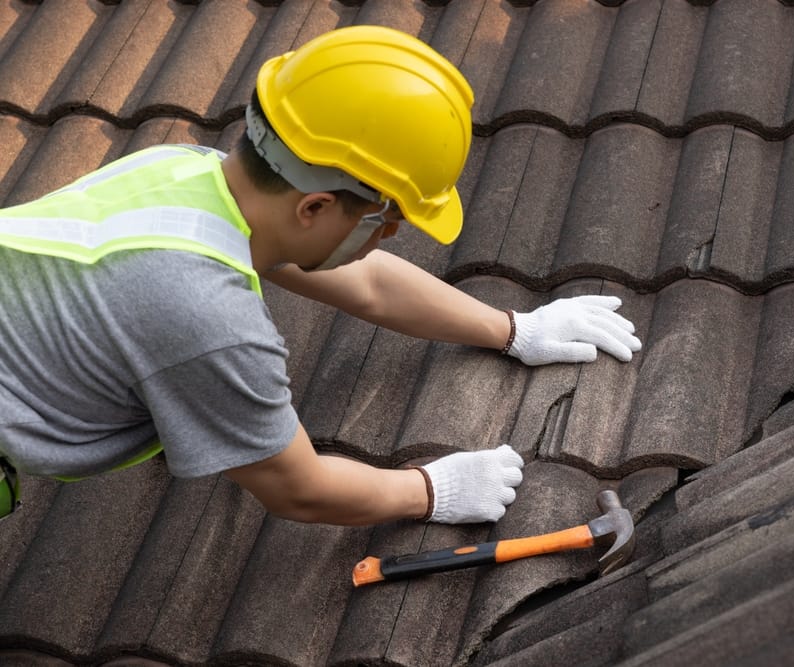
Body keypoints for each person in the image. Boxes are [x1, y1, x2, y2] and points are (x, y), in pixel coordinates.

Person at [0, 26, 641, 526]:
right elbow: (296, 488)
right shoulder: (208, 322)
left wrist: (513, 329)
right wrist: (428, 489)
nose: (388, 236)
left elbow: (368, 284)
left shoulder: (184, 170)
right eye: (387, 219)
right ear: (314, 206)